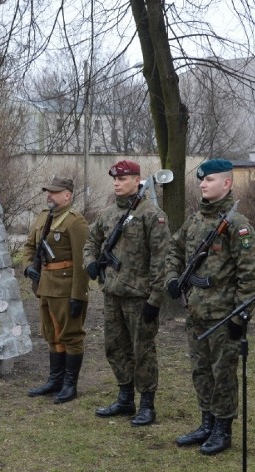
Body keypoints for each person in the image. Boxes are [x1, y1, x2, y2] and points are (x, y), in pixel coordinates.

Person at [163, 158, 255, 455]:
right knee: (201, 370)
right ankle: (206, 421)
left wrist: (240, 314)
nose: (202, 184)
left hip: (223, 315)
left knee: (223, 372)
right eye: (201, 180)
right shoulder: (195, 220)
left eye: (209, 180)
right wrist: (172, 277)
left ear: (227, 183)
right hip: (195, 311)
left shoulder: (238, 225)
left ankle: (222, 428)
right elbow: (174, 247)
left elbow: (252, 276)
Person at [83, 160, 171, 426]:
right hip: (112, 293)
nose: (117, 183)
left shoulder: (152, 214)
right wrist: (89, 261)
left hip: (139, 296)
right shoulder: (109, 214)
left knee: (142, 350)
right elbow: (91, 240)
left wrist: (155, 299)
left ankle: (146, 404)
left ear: (137, 180)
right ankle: (124, 398)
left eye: (123, 179)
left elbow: (161, 259)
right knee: (115, 347)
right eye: (115, 180)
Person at [23, 176, 89, 404]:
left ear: (67, 195)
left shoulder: (75, 221)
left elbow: (82, 262)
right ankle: (55, 380)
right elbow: (30, 246)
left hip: (65, 286)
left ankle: (70, 385)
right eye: (48, 192)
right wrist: (28, 267)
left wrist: (78, 295)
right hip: (44, 284)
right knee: (51, 333)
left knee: (70, 335)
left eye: (54, 192)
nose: (49, 195)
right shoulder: (43, 216)